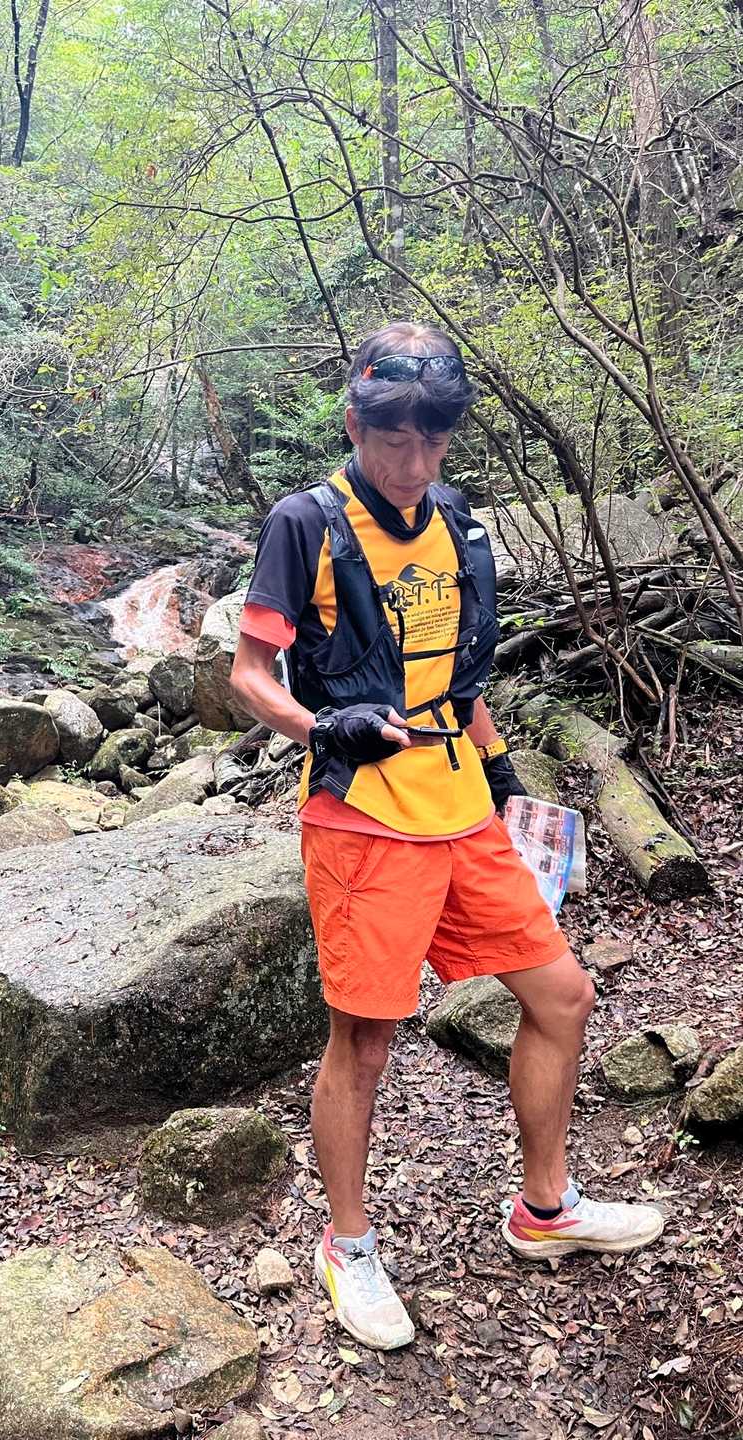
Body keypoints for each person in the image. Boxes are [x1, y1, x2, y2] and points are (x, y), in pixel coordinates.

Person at [229, 321, 664, 1352]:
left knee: (562, 995)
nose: (416, 462)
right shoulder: (305, 523)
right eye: (396, 441)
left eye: (432, 440)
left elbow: (456, 681)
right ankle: (348, 1246)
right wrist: (320, 725)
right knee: (365, 1039)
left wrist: (504, 773)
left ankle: (545, 1209)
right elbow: (247, 677)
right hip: (364, 817)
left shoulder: (456, 520)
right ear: (355, 425)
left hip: (462, 802)